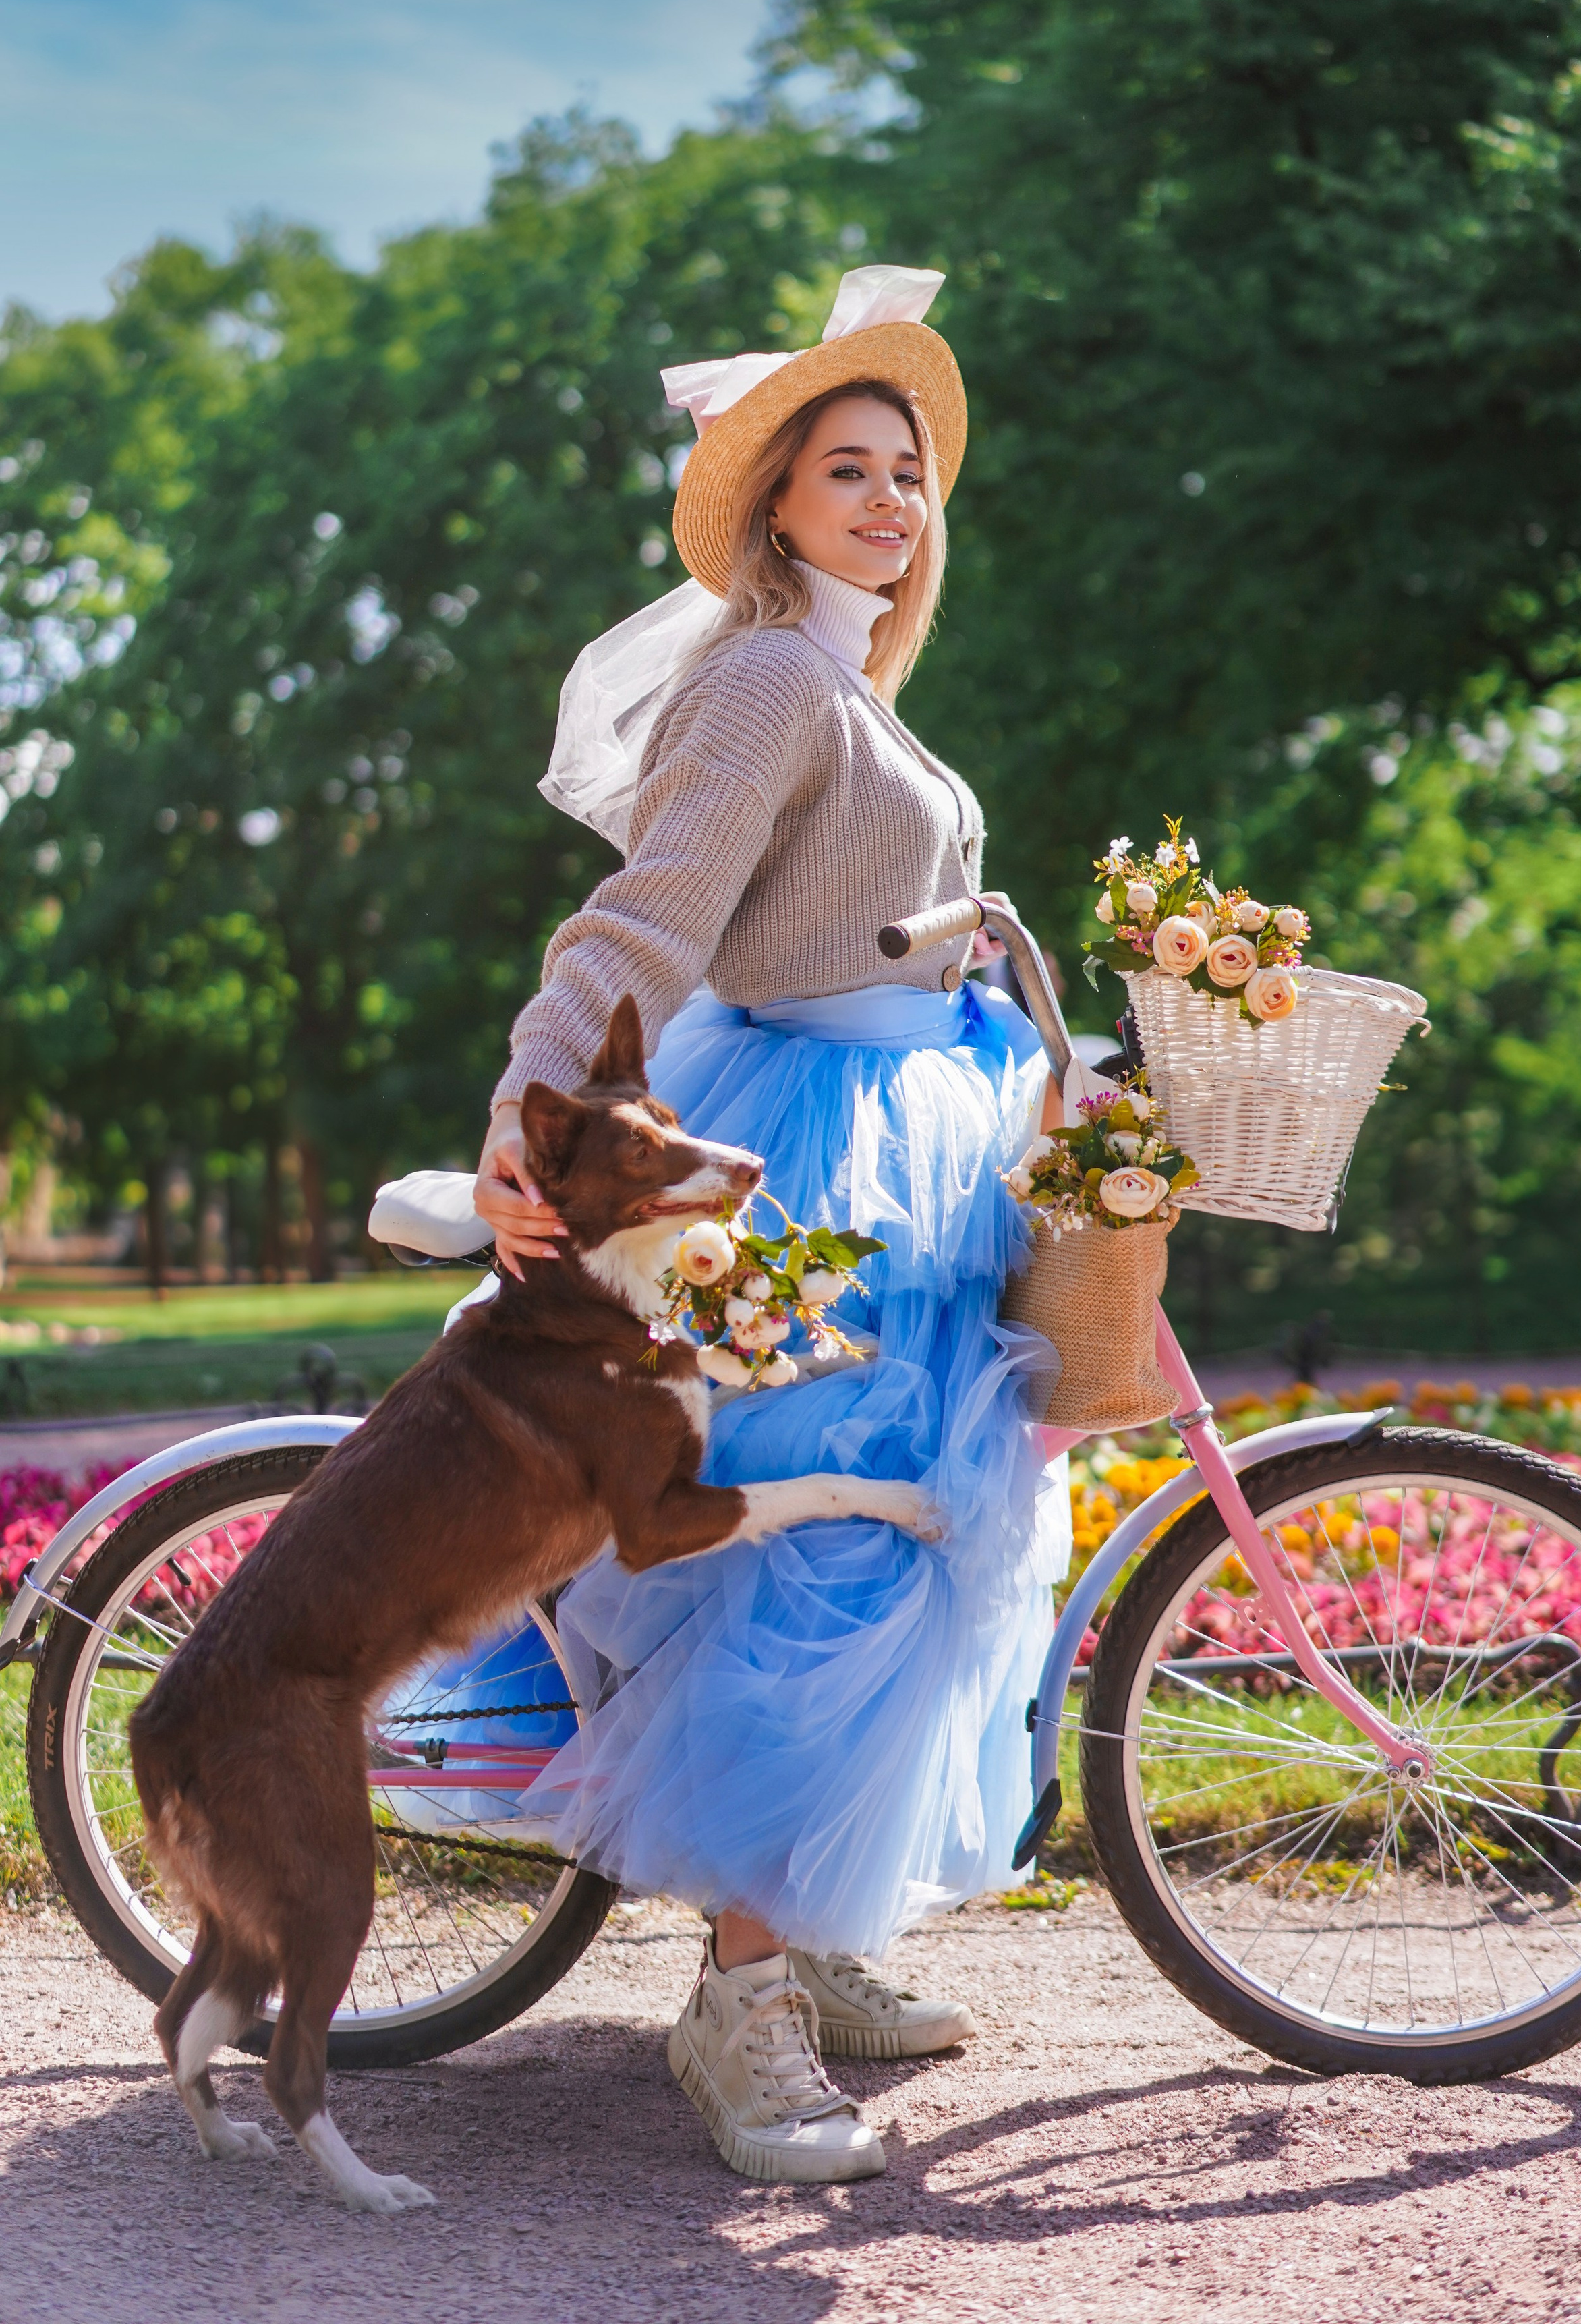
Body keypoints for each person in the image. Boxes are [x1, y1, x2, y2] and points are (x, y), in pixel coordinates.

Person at [472, 266, 1069, 2186]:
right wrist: (535, 1101)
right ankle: (740, 2012)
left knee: (902, 1531)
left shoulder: (847, 680)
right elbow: (649, 915)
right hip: (812, 1154)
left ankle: (803, 1927)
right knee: (817, 1556)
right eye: (847, 473)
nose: (891, 503)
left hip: (912, 1141)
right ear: (777, 509)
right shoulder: (762, 677)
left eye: (906, 473)